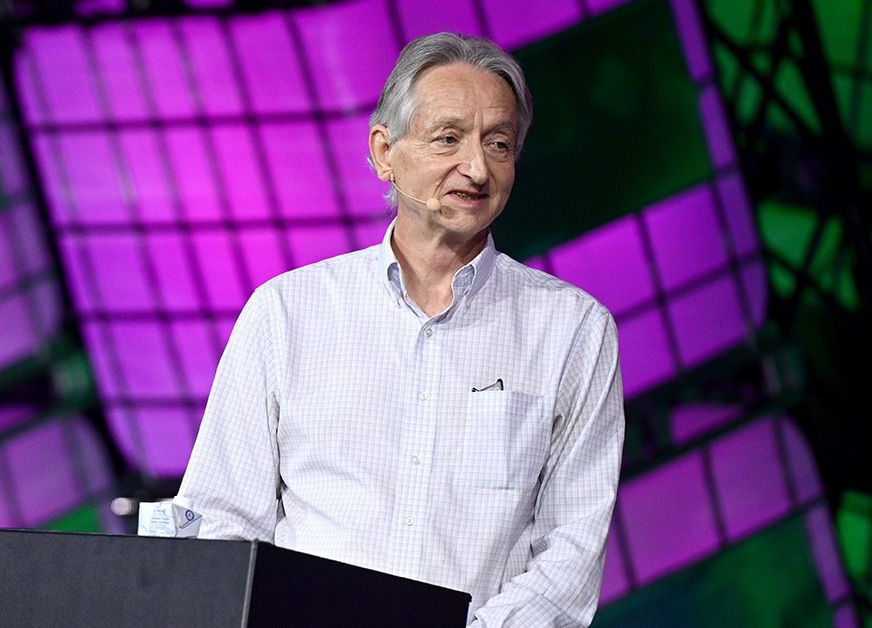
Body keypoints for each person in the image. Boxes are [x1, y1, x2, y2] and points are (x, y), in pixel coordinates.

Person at [177, 32, 624, 627]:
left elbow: (569, 558)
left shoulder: (574, 332)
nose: (476, 167)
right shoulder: (286, 312)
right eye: (448, 138)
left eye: (499, 143)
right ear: (385, 151)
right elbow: (218, 519)